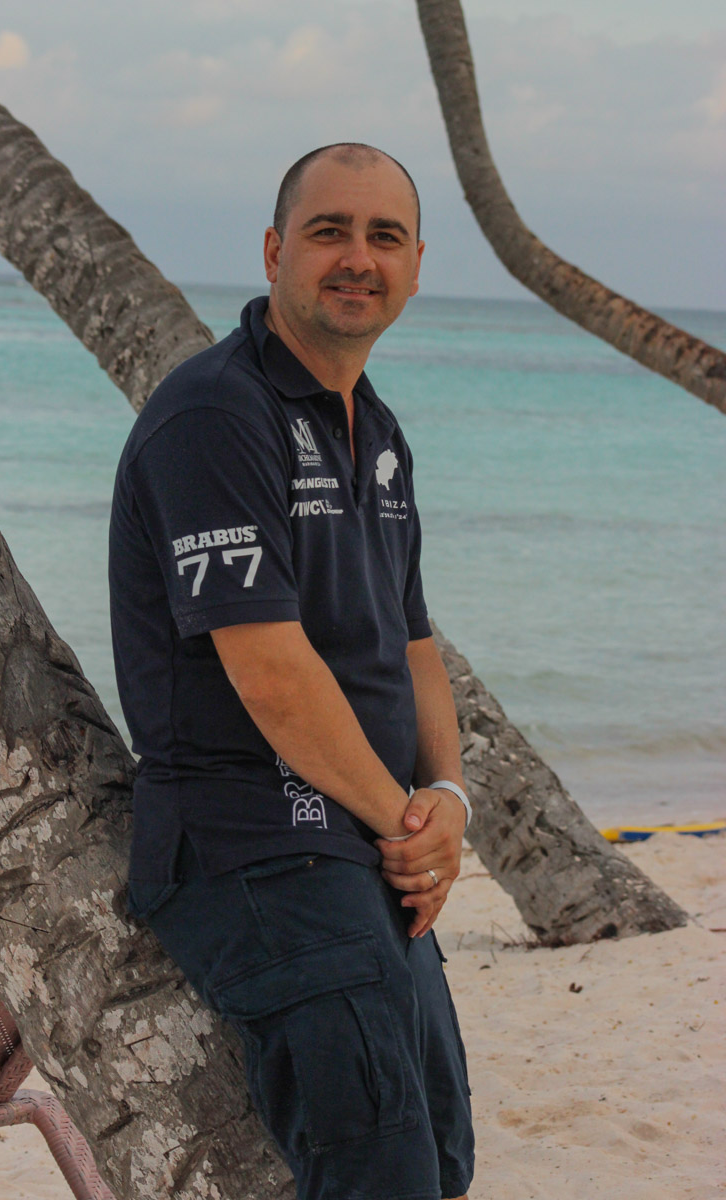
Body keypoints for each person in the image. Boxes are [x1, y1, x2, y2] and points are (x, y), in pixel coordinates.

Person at [109, 142, 474, 1200]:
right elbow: (270, 675)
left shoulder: (380, 432)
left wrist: (447, 801)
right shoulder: (214, 416)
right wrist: (405, 826)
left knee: (441, 1159)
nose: (358, 257)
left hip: (363, 847)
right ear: (274, 252)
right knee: (379, 1165)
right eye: (329, 231)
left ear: (414, 267)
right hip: (252, 844)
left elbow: (411, 643)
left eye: (384, 236)